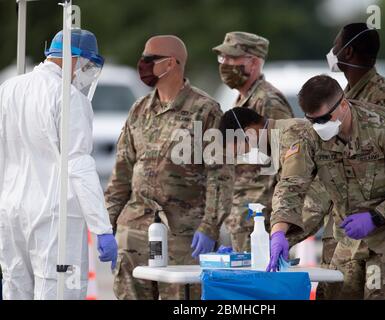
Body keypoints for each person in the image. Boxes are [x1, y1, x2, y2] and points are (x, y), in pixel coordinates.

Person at [268, 75, 385, 299]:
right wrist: (279, 232)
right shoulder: (310, 135)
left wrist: (376, 217)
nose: (320, 126)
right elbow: (291, 185)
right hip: (350, 239)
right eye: (313, 120)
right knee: (335, 294)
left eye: (325, 118)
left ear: (343, 104)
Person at [105, 35, 233, 300]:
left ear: (172, 63)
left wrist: (210, 226)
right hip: (135, 231)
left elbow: (220, 176)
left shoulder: (204, 110)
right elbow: (121, 173)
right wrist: (107, 225)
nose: (143, 64)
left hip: (184, 234)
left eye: (150, 59)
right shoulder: (139, 110)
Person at [0, 29, 117, 300]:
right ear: (75, 58)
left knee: (15, 289)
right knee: (60, 291)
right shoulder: (69, 97)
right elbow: (79, 165)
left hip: (11, 213)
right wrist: (102, 228)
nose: (87, 73)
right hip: (55, 218)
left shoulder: (8, 89)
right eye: (88, 65)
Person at [317, 22, 385, 299]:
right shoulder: (346, 96)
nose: (332, 51)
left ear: (347, 51)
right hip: (350, 242)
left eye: (336, 44)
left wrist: (376, 216)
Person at [212, 31, 294, 252]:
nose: (225, 64)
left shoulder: (268, 102)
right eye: (223, 59)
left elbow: (287, 164)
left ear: (254, 63)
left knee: (260, 284)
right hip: (243, 216)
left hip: (261, 219)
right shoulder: (243, 98)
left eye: (232, 58)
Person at [218, 107, 332, 248]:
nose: (247, 157)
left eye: (243, 150)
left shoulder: (291, 136)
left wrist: (276, 240)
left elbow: (314, 198)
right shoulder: (278, 141)